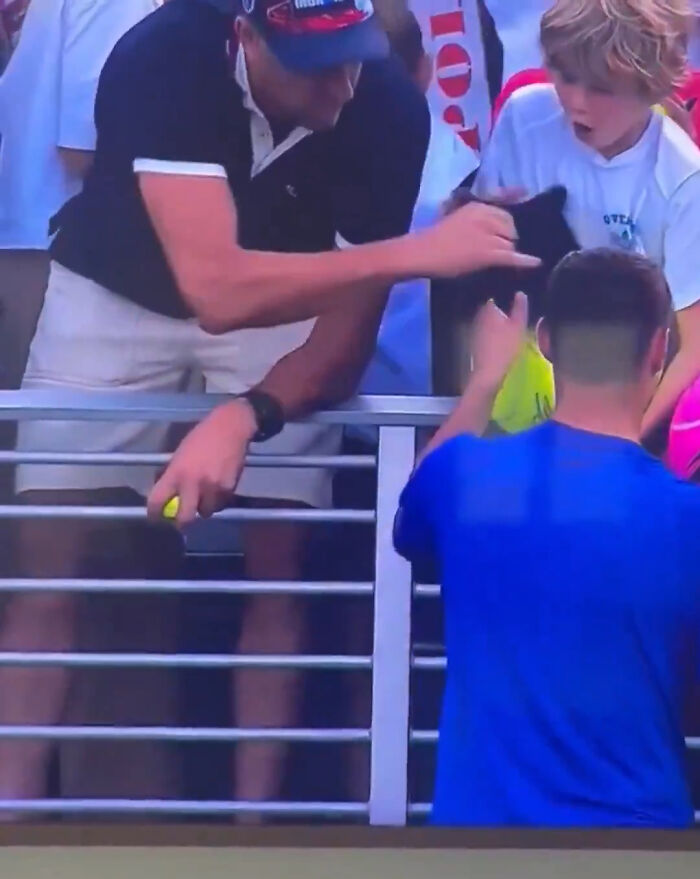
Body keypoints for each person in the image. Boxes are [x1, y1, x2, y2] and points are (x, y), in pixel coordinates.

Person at [6, 0, 536, 811]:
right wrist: (416, 255)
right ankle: (10, 817)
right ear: (246, 36)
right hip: (118, 292)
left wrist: (248, 412)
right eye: (317, 63)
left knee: (282, 559)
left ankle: (256, 824)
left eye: (355, 54)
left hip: (286, 300)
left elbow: (347, 335)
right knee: (49, 560)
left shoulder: (389, 108)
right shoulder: (165, 54)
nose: (344, 84)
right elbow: (214, 288)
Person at [395, 248, 700, 827]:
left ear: (546, 341)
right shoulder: (688, 518)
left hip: (478, 846)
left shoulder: (466, 480)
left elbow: (415, 505)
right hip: (638, 844)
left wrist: (485, 381)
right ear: (660, 349)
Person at [473, 0, 700, 448]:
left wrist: (623, 441)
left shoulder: (684, 179)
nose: (576, 101)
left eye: (601, 87)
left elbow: (692, 347)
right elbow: (480, 278)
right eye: (566, 74)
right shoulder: (523, 118)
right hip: (515, 414)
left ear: (651, 86)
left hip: (627, 420)